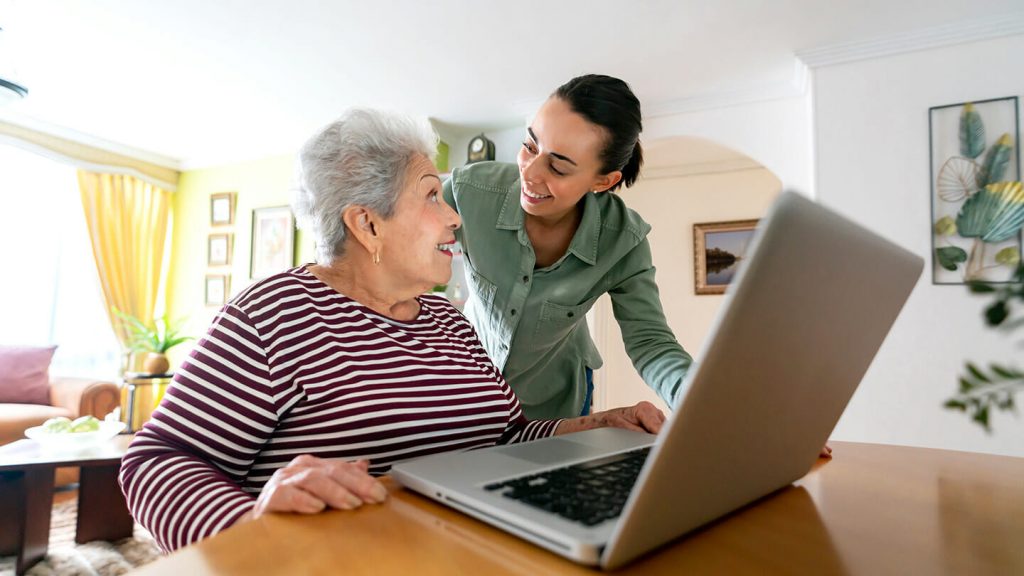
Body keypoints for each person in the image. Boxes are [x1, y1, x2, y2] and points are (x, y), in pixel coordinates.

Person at [118, 108, 666, 553]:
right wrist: (252, 517)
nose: (454, 216)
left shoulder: (450, 322)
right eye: (432, 195)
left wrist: (599, 425)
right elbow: (154, 462)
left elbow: (505, 438)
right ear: (367, 223)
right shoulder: (273, 314)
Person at [443, 74, 692, 420]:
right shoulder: (469, 191)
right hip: (467, 391)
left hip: (554, 404)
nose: (530, 173)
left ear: (602, 181)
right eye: (530, 146)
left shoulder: (622, 241)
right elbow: (394, 234)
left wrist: (698, 402)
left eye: (558, 167)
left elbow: (650, 342)